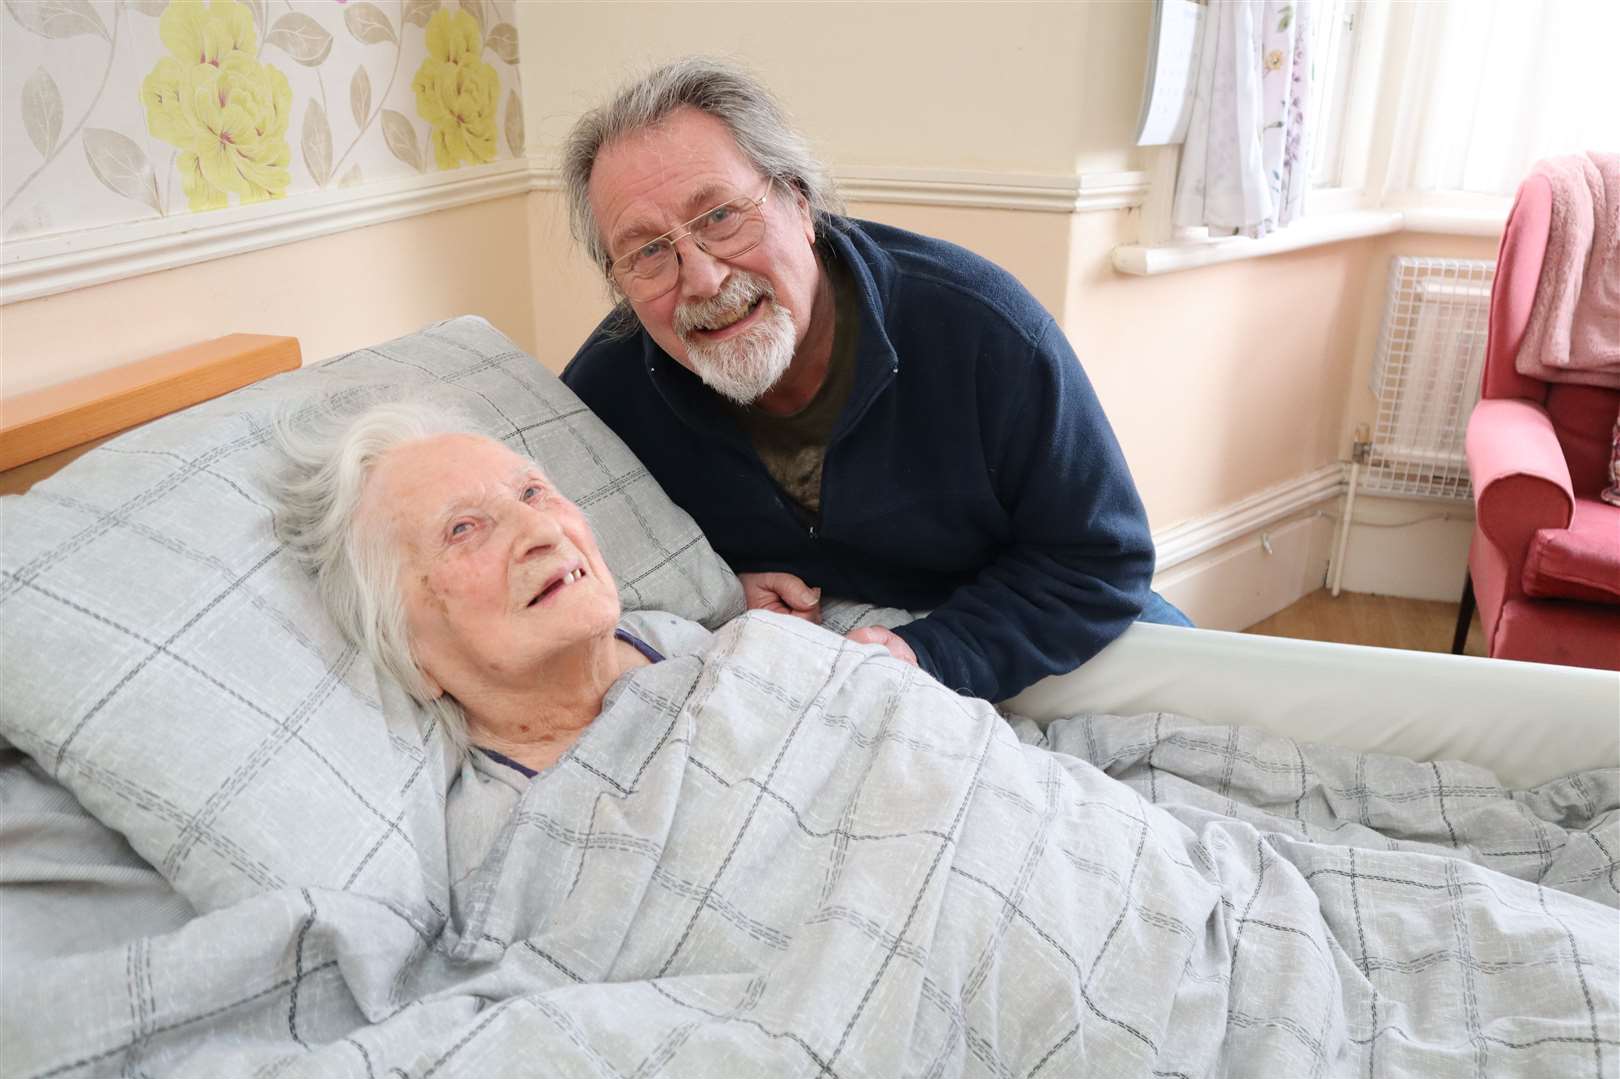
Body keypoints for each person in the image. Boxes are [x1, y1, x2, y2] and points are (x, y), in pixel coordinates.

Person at [559, 57, 1190, 705]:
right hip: (845, 651)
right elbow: (577, 564)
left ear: (799, 204)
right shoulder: (607, 390)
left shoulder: (983, 328)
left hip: (1037, 622)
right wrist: (714, 588)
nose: (701, 278)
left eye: (719, 216)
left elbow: (1101, 561)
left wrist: (931, 651)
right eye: (647, 252)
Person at [272, 401, 695, 776]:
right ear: (410, 653)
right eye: (462, 529)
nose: (542, 528)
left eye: (531, 492)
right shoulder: (509, 847)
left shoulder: (705, 635)